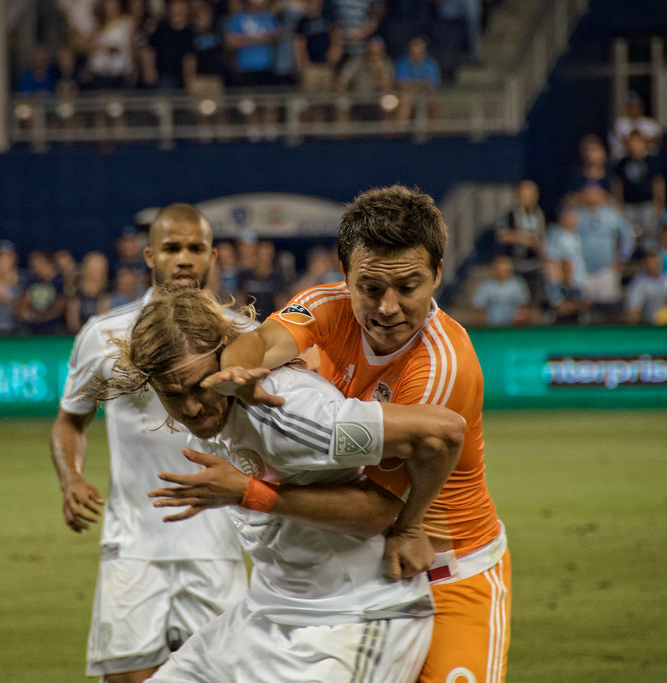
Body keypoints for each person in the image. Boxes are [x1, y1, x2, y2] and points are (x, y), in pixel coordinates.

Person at [203, 185, 511, 683]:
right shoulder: (326, 304)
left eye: (407, 286)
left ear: (436, 275)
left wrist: (250, 494)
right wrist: (240, 380)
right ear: (345, 275)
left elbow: (377, 510)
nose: (387, 307)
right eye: (370, 287)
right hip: (367, 577)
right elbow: (256, 343)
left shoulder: (440, 367)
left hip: (451, 569)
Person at [96, 284, 465, 682]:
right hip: (268, 612)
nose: (190, 407)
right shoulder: (216, 418)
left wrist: (251, 494)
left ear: (223, 351)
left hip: (358, 617)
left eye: (200, 385)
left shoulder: (287, 413)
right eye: (171, 394)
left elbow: (441, 435)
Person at [50, 204, 247, 682]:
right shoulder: (104, 336)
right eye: (172, 248)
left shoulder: (241, 336)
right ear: (149, 255)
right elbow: (70, 422)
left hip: (218, 547)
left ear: (213, 256)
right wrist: (71, 478)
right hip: (133, 545)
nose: (184, 259)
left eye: (195, 248)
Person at [577, 181, 635, 311]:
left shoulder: (611, 214)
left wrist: (623, 256)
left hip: (607, 270)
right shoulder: (577, 215)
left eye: (594, 193)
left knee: (608, 309)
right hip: (583, 271)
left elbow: (627, 233)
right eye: (588, 193)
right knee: (584, 308)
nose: (591, 196)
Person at [612, 129, 666, 252]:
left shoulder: (651, 160)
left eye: (637, 141)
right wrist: (619, 205)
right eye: (632, 141)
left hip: (648, 204)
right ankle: (628, 262)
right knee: (628, 237)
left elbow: (658, 183)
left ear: (643, 142)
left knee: (650, 237)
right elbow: (618, 185)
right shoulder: (623, 162)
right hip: (628, 205)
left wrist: (659, 204)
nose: (634, 144)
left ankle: (650, 261)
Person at [495, 179, 546, 305]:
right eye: (527, 194)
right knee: (518, 301)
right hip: (514, 265)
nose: (531, 198)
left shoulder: (538, 215)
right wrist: (523, 239)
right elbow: (502, 234)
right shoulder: (510, 214)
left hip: (534, 264)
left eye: (533, 194)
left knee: (536, 298)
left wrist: (536, 242)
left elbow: (541, 238)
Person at [471, 254, 532, 327]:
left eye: (506, 270)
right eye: (500, 270)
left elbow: (524, 306)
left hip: (513, 327)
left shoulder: (517, 284)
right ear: (494, 270)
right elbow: (478, 307)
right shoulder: (487, 286)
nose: (503, 272)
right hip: (492, 326)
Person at [624, 250, 667, 325]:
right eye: (650, 263)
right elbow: (633, 308)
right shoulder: (639, 284)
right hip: (649, 325)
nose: (654, 265)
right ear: (644, 265)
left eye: (655, 262)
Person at [608, 91, 663, 162]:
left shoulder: (650, 123)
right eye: (630, 106)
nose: (633, 109)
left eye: (636, 106)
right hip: (624, 159)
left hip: (648, 159)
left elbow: (656, 139)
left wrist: (636, 142)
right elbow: (625, 142)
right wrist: (645, 140)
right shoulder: (620, 123)